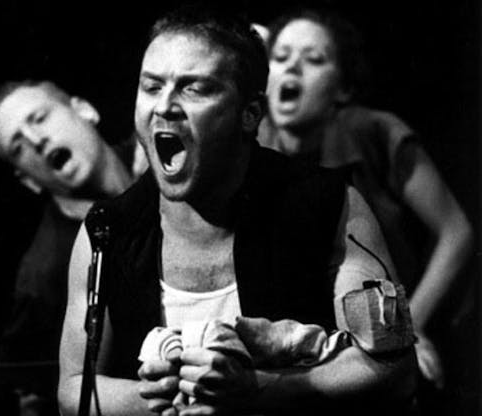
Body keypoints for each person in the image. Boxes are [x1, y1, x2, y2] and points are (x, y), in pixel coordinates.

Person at [58, 6, 417, 416]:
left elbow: (394, 368)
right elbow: (73, 390)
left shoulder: (330, 204)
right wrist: (169, 396)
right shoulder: (108, 231)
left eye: (194, 89)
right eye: (152, 86)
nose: (165, 106)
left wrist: (257, 391)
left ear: (249, 114)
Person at [256, 8, 474, 404]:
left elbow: (456, 234)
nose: (292, 68)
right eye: (281, 56)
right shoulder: (253, 146)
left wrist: (411, 327)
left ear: (342, 88)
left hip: (395, 333)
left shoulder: (375, 132)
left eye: (314, 59)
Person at [0, 80, 140, 415]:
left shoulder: (157, 162)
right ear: (29, 181)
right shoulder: (44, 273)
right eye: (18, 146)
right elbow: (32, 399)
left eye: (39, 118)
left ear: (85, 111)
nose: (37, 141)